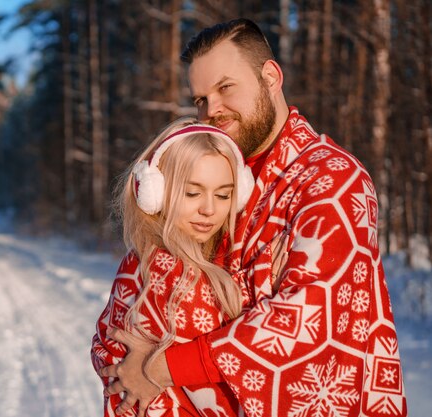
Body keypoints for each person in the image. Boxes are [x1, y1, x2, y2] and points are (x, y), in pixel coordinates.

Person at [99, 18, 407, 417]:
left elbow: (305, 321)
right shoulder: (221, 175)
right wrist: (133, 360)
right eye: (200, 100)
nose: (213, 110)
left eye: (225, 88)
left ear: (271, 77)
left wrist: (163, 367)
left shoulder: (332, 180)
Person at [91, 118, 265, 416]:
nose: (209, 209)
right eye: (192, 193)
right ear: (155, 192)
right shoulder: (171, 273)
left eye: (223, 195)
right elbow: (243, 367)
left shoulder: (139, 260)